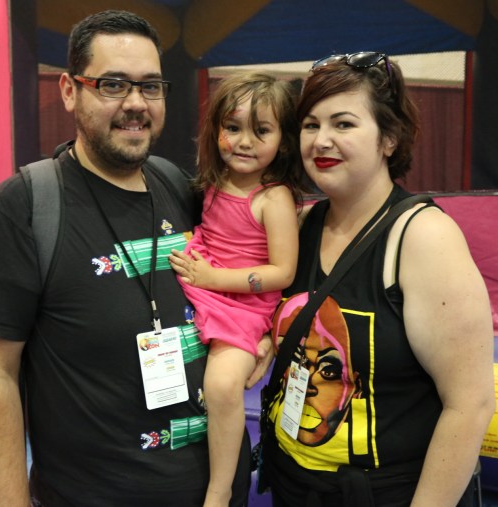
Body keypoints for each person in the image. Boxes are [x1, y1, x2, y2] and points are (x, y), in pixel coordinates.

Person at [0, 10, 270, 507]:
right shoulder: (26, 206)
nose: (135, 104)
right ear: (68, 91)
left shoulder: (175, 184)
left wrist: (266, 333)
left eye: (150, 86)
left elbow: (248, 259)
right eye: (112, 84)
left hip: (216, 490)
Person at [261, 52, 495, 506]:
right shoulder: (302, 226)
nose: (321, 141)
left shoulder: (422, 237)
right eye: (311, 125)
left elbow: (470, 405)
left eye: (343, 124)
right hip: (296, 485)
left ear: (389, 138)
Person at [168, 72, 304, 507]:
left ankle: (220, 487)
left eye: (260, 131)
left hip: (241, 307)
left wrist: (214, 279)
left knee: (224, 385)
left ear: (282, 142)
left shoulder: (273, 197)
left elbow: (282, 272)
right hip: (202, 282)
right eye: (233, 128)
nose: (244, 141)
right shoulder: (212, 182)